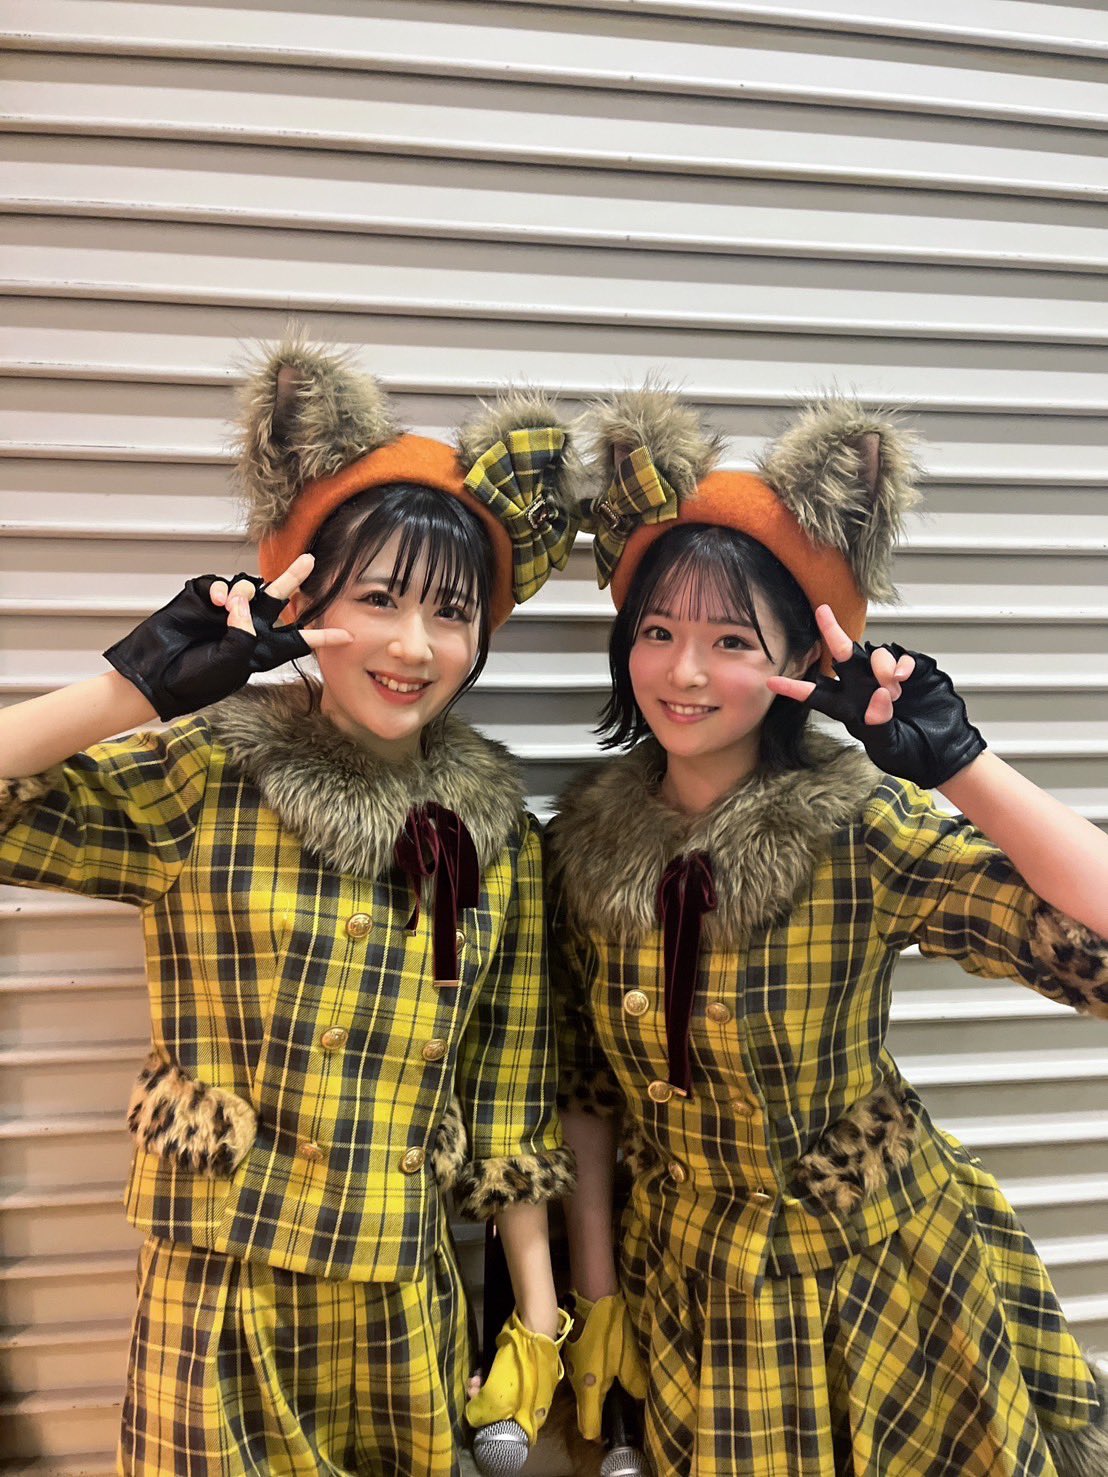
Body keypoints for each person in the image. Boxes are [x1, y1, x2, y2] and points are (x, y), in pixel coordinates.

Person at [0, 339, 582, 1476]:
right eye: (378, 599)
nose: (412, 645)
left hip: (400, 1294)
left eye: (451, 612)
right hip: (220, 1288)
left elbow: (510, 1095)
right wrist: (133, 686)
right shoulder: (207, 776)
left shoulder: (501, 840)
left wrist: (539, 1317)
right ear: (307, 601)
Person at [547, 386, 1108, 1476]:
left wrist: (956, 762)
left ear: (800, 656)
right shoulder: (582, 848)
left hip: (885, 1277)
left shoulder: (857, 828)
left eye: (730, 639)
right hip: (689, 1294)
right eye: (657, 632)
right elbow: (586, 1094)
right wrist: (598, 1300)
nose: (685, 672)